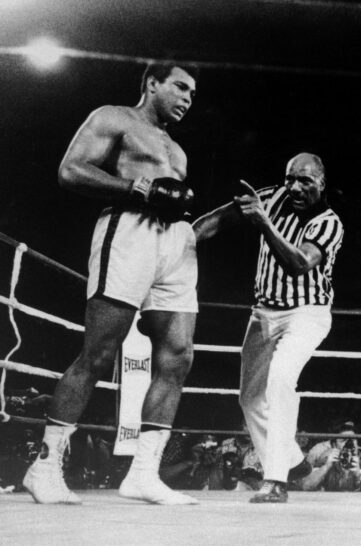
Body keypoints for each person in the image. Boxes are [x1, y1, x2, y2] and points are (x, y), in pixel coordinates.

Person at [23, 63, 200, 505]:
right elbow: (71, 170)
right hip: (128, 231)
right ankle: (44, 467)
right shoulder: (115, 117)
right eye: (180, 87)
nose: (187, 98)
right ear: (152, 83)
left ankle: (143, 474)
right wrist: (139, 189)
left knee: (178, 356)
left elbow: (169, 199)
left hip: (174, 244)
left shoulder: (177, 150)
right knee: (99, 353)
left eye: (193, 94)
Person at [193, 153, 344, 503]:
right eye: (290, 178)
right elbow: (223, 218)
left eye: (305, 180)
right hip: (263, 313)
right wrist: (183, 237)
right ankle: (292, 460)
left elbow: (299, 262)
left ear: (322, 183)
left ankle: (276, 480)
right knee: (249, 397)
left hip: (307, 314)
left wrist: (263, 222)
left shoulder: (329, 222)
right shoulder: (272, 197)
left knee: (280, 382)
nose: (295, 186)